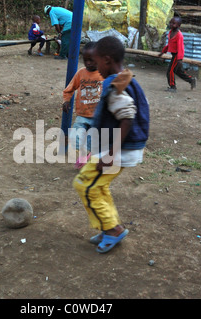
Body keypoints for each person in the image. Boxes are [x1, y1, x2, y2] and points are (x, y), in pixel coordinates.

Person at [73, 36, 150, 254]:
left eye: (96, 63)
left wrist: (110, 155)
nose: (95, 68)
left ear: (107, 60)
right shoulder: (125, 78)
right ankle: (108, 227)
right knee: (98, 186)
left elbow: (127, 117)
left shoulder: (116, 85)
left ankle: (113, 229)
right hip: (119, 149)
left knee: (84, 185)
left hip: (117, 151)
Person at [62, 42, 104, 169]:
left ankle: (86, 157)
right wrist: (66, 100)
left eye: (92, 60)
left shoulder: (104, 74)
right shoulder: (81, 73)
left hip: (97, 116)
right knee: (75, 138)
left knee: (91, 141)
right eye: (86, 60)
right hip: (82, 114)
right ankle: (83, 155)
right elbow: (69, 89)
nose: (88, 63)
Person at [159, 16, 196, 93]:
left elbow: (180, 48)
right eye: (171, 22)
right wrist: (163, 51)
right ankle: (191, 80)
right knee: (178, 71)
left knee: (170, 71)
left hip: (177, 56)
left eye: (174, 23)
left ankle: (173, 87)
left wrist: (179, 59)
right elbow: (169, 44)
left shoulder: (179, 35)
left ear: (178, 25)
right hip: (174, 55)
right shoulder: (170, 32)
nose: (171, 24)